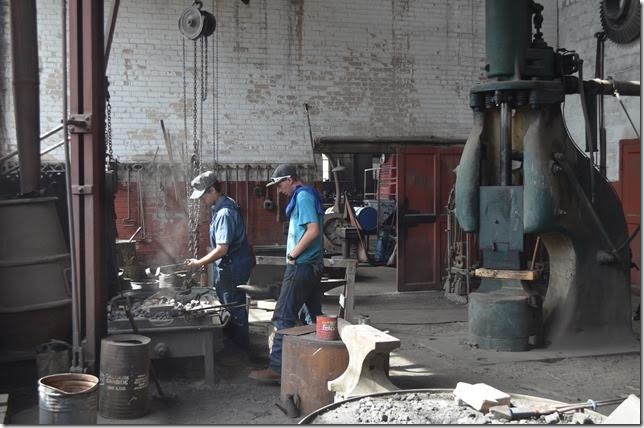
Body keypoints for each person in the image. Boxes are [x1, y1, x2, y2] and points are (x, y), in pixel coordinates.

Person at [248, 164, 325, 384]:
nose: (279, 189)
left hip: (302, 265)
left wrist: (293, 255)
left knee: (282, 316)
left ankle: (277, 369)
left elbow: (313, 230)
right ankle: (320, 360)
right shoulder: (306, 195)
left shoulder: (303, 197)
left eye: (281, 184)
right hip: (310, 265)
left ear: (291, 179)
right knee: (312, 317)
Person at [186, 170, 254, 348]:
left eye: (203, 196)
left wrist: (200, 262)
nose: (202, 200)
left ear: (212, 191)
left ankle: (239, 352)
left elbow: (222, 249)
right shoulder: (224, 205)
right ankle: (235, 345)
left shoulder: (224, 212)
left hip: (232, 266)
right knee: (231, 304)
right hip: (235, 264)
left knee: (233, 307)